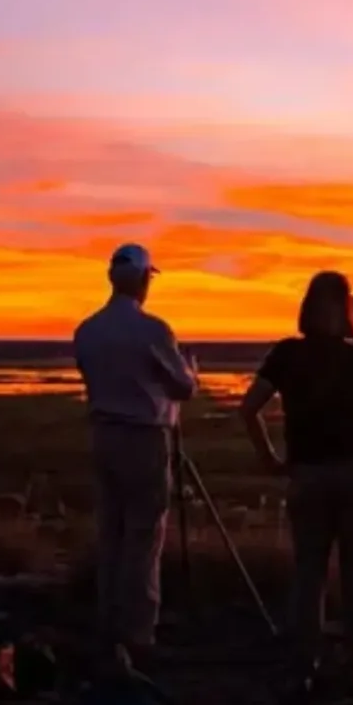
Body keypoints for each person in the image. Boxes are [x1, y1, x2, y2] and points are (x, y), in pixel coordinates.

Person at [237, 271, 353, 693]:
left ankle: (304, 664)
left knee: (309, 572)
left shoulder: (286, 355)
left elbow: (248, 408)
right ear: (347, 311)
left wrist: (269, 458)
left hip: (306, 474)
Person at [72, 243, 200, 663]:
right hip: (145, 438)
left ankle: (108, 622)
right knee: (144, 536)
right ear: (144, 279)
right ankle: (139, 632)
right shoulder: (153, 330)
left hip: (103, 435)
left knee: (112, 532)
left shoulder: (86, 330)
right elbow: (182, 387)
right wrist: (190, 372)